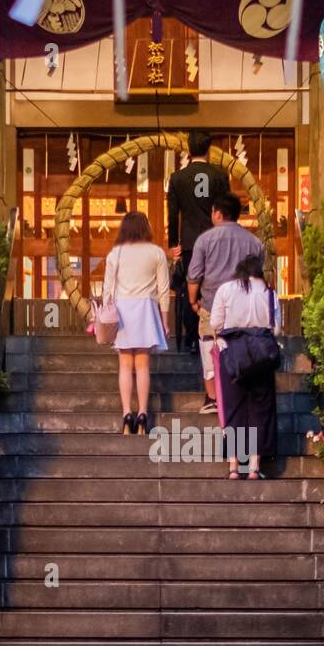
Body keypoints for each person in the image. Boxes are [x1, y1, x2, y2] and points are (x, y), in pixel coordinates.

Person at [187, 191, 263, 415]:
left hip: (210, 304)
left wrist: (193, 302)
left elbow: (194, 276)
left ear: (217, 213)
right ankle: (240, 393)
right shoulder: (254, 242)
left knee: (209, 349)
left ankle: (212, 398)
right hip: (244, 308)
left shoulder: (205, 240)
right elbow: (260, 275)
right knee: (239, 350)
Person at [210, 253, 281, 479]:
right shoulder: (269, 293)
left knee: (233, 409)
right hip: (262, 356)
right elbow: (276, 329)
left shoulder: (226, 289)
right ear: (259, 271)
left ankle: (233, 466)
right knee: (260, 410)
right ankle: (254, 467)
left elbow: (215, 323)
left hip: (233, 354)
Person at [101, 210, 170, 434]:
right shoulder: (157, 253)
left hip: (122, 311)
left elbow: (107, 291)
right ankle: (142, 414)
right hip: (146, 311)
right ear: (145, 228)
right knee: (142, 365)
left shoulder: (115, 254)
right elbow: (164, 290)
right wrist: (165, 321)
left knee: (124, 365)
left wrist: (104, 316)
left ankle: (126, 415)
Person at [167, 130, 228, 354]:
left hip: (190, 242)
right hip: (217, 241)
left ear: (188, 151)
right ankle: (216, 331)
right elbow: (227, 208)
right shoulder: (220, 175)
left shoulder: (177, 178)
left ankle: (193, 337)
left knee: (189, 288)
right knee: (215, 286)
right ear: (209, 149)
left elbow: (173, 214)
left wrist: (174, 243)